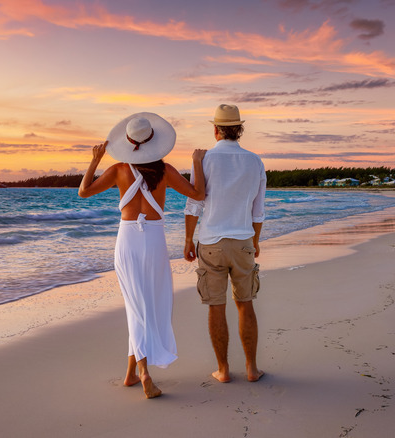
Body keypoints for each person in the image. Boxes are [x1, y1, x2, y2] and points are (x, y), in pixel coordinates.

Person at [79, 112, 206, 399]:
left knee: (135, 305)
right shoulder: (166, 171)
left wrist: (95, 160)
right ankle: (140, 372)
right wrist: (197, 163)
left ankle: (135, 374)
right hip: (154, 240)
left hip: (127, 241)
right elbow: (198, 194)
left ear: (128, 143)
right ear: (154, 142)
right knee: (147, 305)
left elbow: (83, 192)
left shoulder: (118, 170)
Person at [183, 104, 266, 383]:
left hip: (211, 242)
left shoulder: (204, 159)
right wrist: (255, 241)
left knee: (216, 306)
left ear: (216, 130)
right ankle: (252, 369)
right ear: (239, 129)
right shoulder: (255, 161)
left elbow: (194, 203)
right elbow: (258, 211)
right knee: (245, 303)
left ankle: (223, 370)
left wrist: (188, 240)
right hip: (243, 240)